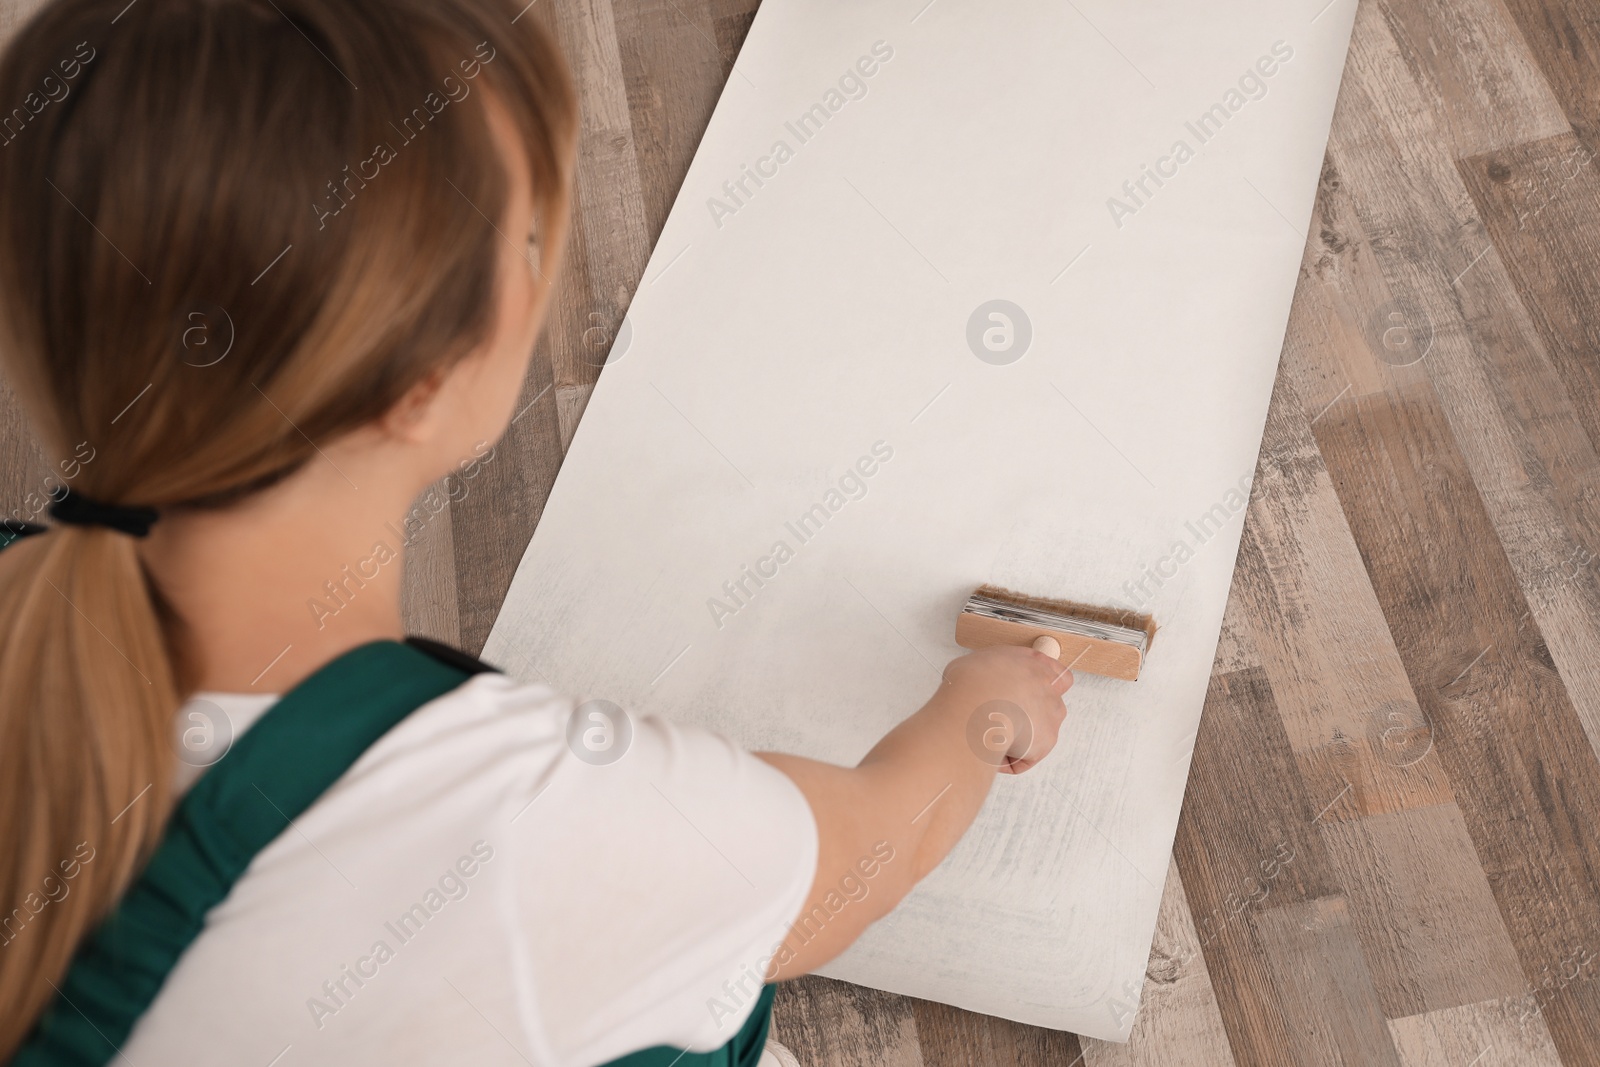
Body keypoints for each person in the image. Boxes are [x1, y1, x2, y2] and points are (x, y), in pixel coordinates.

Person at [0, 0, 1074, 1063]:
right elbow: (860, 861)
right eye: (521, 238)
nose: (541, 263)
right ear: (421, 386)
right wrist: (984, 709)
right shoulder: (516, 824)